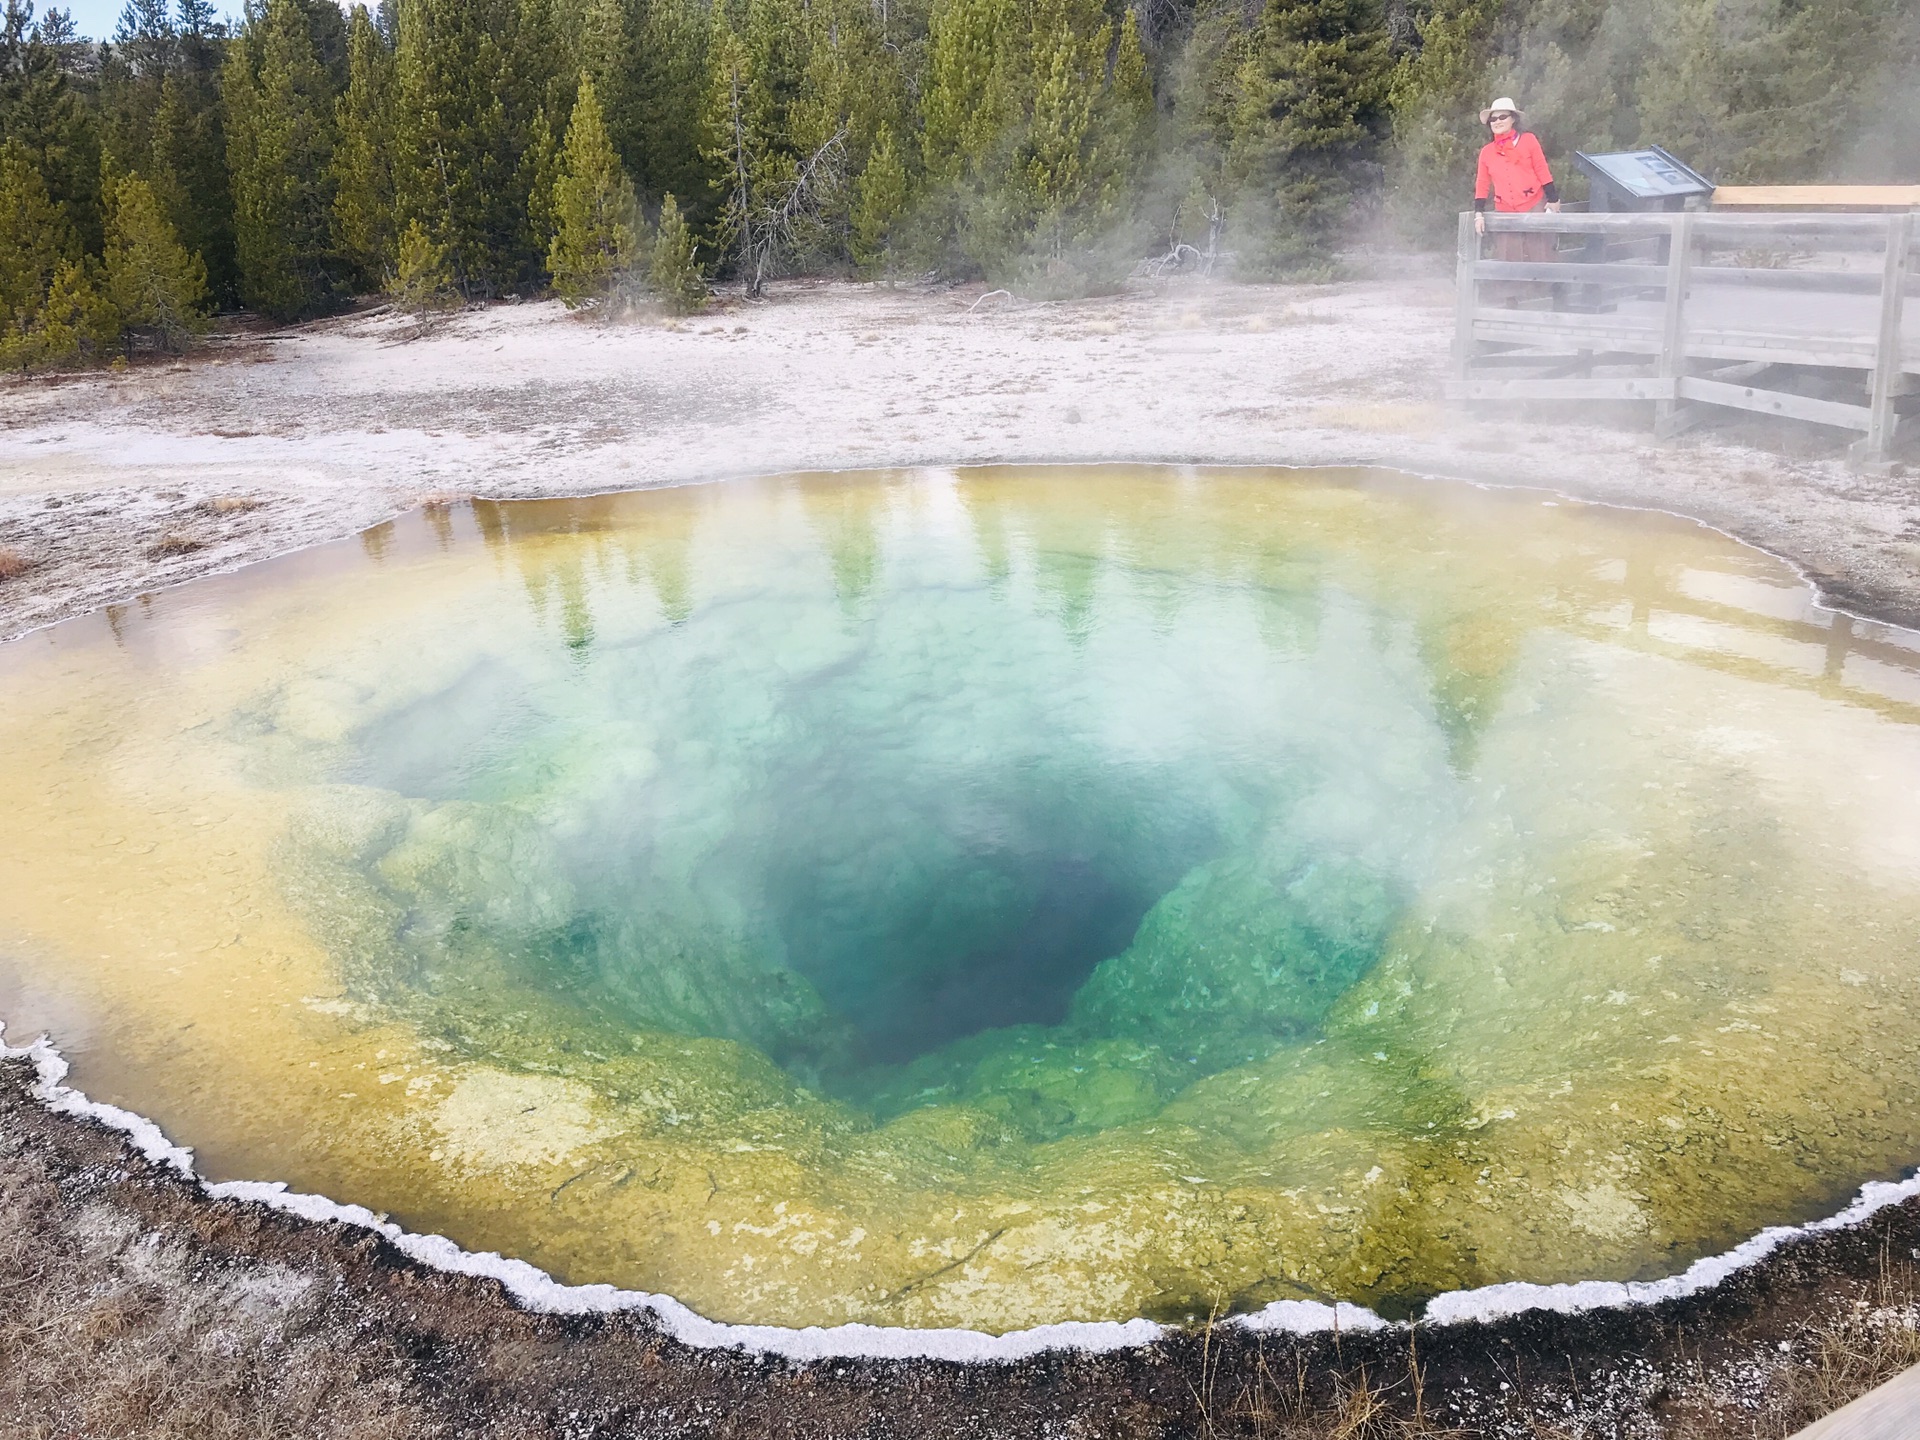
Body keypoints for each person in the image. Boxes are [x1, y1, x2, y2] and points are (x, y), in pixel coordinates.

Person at [1473, 98, 1560, 304]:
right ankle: (1511, 303)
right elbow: (1482, 183)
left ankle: (1546, 299)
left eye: (1502, 116)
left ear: (1513, 119)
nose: (1497, 121)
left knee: (1540, 251)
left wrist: (1553, 198)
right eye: (1493, 119)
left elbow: (1541, 169)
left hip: (1533, 203)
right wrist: (1478, 213)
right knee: (1507, 255)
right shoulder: (1487, 152)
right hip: (1505, 210)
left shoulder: (1529, 140)